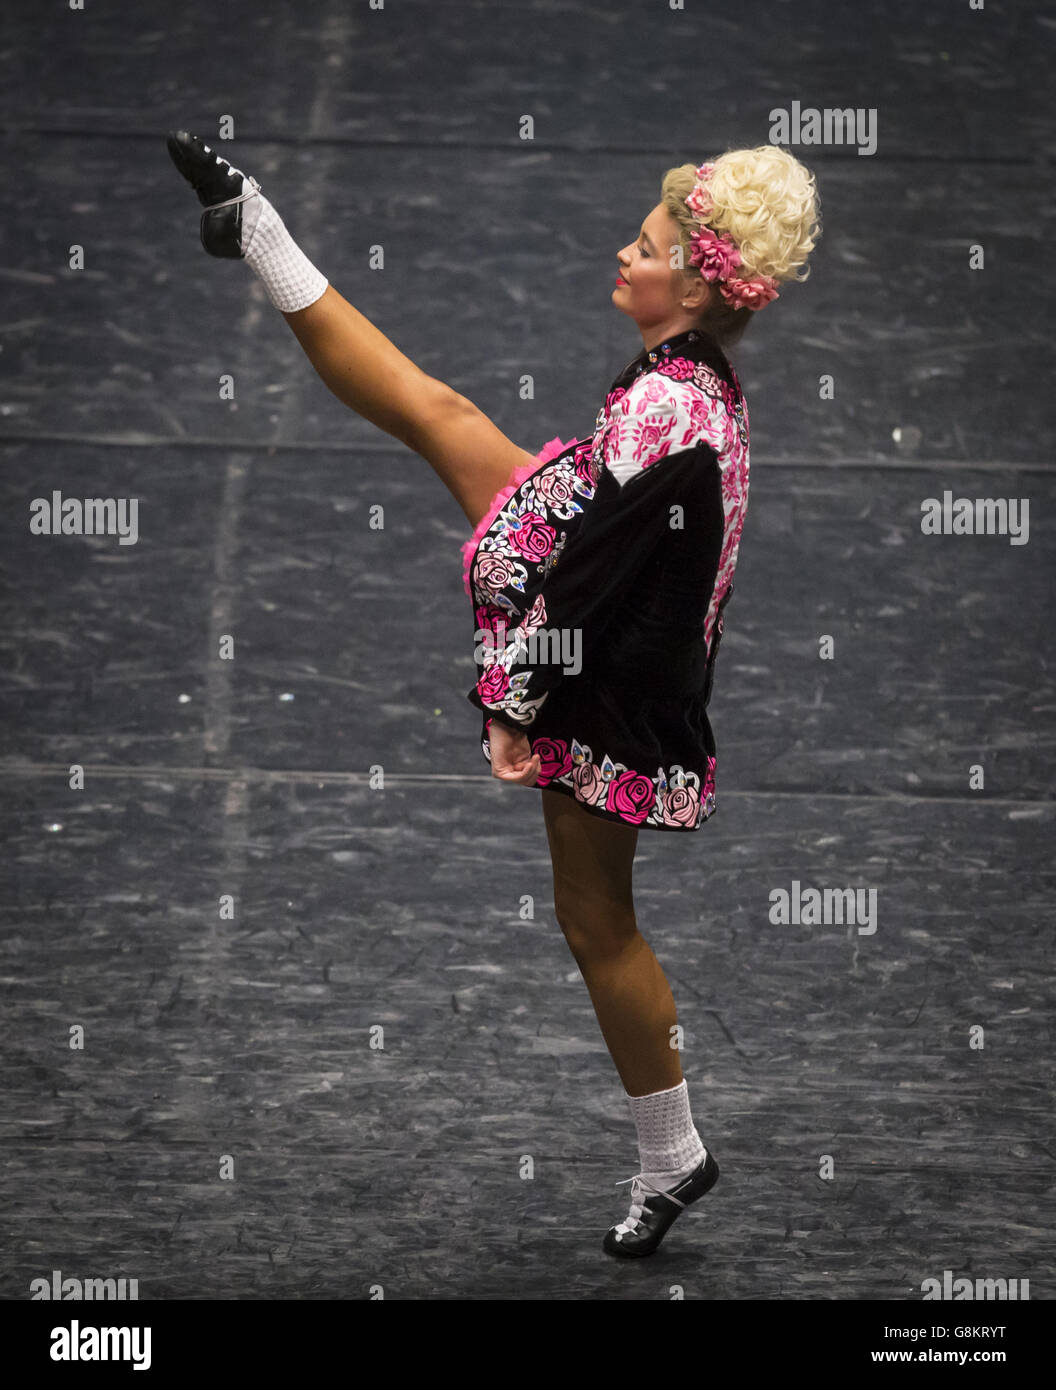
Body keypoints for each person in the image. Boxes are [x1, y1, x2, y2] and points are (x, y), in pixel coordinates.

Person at [166, 131, 821, 1257]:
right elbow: (618, 549)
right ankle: (258, 226)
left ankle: (673, 1155)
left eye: (650, 245)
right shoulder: (688, 383)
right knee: (441, 413)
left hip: (608, 693)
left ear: (701, 281)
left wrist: (517, 699)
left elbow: (603, 574)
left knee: (596, 921)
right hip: (604, 633)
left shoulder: (671, 409)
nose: (625, 252)